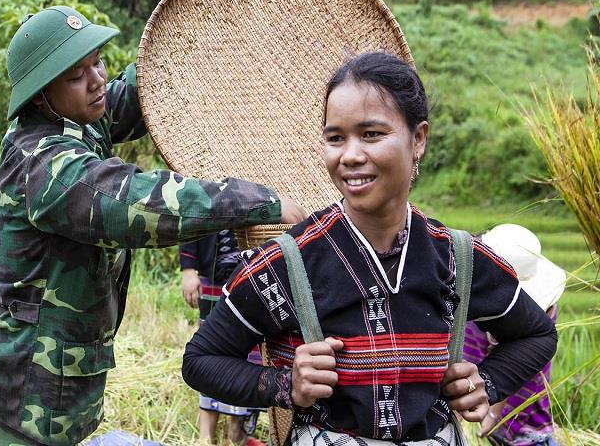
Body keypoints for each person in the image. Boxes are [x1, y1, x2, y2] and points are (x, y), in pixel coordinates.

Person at [0, 0, 307, 446]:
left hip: (65, 393)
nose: (98, 81)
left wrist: (200, 5)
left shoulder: (83, 117)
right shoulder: (40, 164)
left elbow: (157, 81)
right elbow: (135, 202)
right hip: (27, 401)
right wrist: (258, 201)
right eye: (76, 74)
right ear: (41, 93)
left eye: (98, 62)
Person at [183, 51, 558, 445]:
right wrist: (284, 384)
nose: (350, 155)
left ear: (418, 139)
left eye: (371, 134)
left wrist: (488, 382)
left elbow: (537, 335)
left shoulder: (456, 258)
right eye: (335, 138)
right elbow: (201, 360)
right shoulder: (289, 263)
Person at [463, 224, 566, 446]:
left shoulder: (536, 318)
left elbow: (516, 370)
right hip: (481, 395)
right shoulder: (471, 298)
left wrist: (492, 416)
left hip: (512, 406)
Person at [181, 231, 265, 446]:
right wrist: (188, 270)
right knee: (209, 352)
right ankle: (205, 435)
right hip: (214, 276)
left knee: (248, 354)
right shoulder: (211, 196)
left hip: (251, 278)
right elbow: (194, 220)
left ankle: (236, 430)